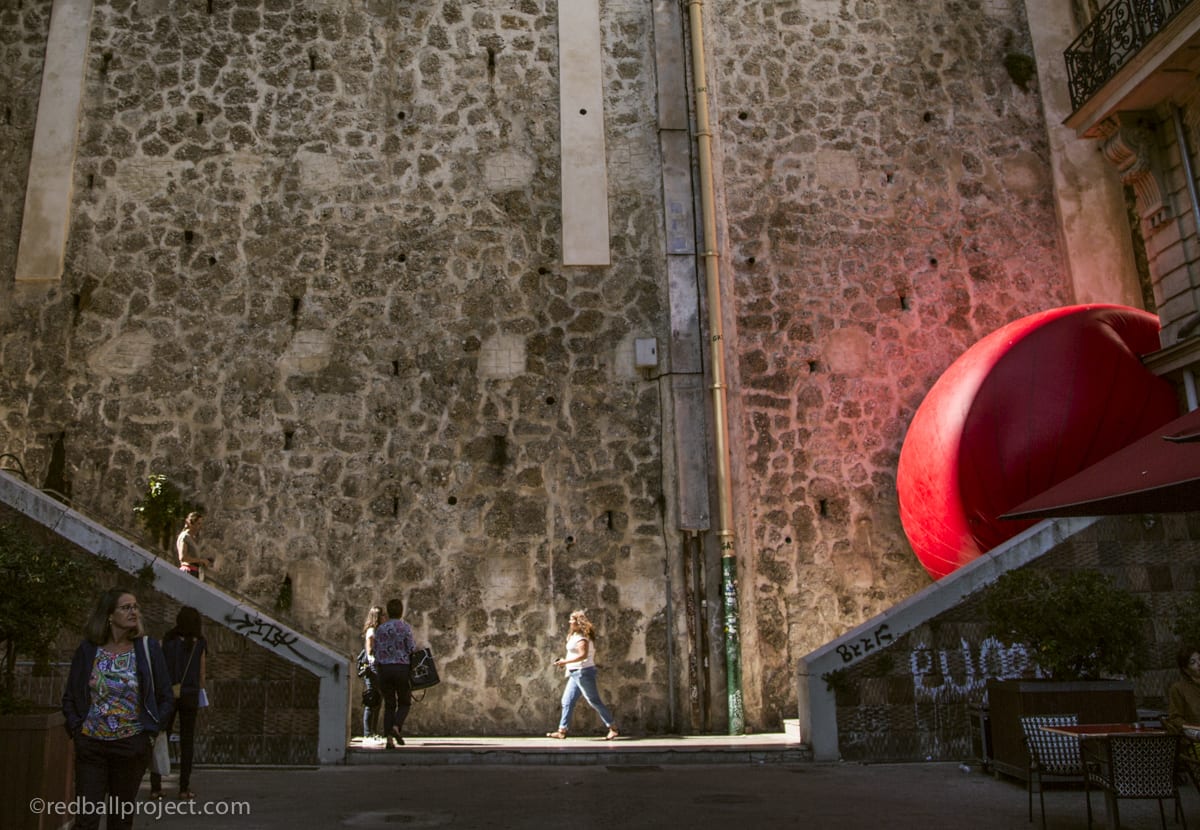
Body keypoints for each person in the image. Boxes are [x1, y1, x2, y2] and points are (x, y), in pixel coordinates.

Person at [62, 588, 173, 830]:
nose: (133, 611)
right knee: (86, 819)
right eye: (126, 607)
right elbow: (70, 696)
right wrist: (76, 730)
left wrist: (150, 733)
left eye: (135, 607)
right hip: (91, 745)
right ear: (109, 615)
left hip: (131, 746)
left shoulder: (147, 648)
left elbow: (165, 697)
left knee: (120, 820)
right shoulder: (88, 650)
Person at [149, 606, 207, 800]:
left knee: (161, 736)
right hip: (189, 695)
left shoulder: (168, 640)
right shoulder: (200, 643)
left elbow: (160, 667)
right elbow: (202, 675)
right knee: (187, 741)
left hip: (167, 695)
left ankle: (156, 787)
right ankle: (183, 788)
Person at [546, 609, 619, 740]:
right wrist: (565, 662)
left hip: (583, 672)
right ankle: (562, 731)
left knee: (593, 700)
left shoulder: (582, 639)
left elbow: (583, 655)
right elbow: (575, 653)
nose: (570, 622)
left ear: (579, 623)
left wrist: (565, 661)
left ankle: (613, 728)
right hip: (575, 673)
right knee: (567, 701)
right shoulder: (574, 636)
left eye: (572, 621)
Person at [374, 598, 416, 749]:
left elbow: (376, 650)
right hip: (401, 668)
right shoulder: (405, 628)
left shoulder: (380, 629)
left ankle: (389, 740)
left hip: (384, 669)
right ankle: (396, 726)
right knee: (405, 702)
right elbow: (411, 648)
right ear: (401, 611)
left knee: (389, 704)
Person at [360, 605, 385, 741]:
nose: (385, 617)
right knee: (372, 701)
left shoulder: (378, 631)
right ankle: (368, 732)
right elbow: (370, 651)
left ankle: (373, 731)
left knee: (377, 701)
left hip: (377, 669)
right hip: (372, 670)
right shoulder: (371, 632)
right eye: (382, 615)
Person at [1166, 645, 1200, 734]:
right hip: (1194, 739)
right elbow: (1175, 718)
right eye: (1193, 662)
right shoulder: (1178, 688)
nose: (1199, 663)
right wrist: (1194, 731)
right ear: (1186, 670)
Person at [177, 512, 213, 579]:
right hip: (188, 572)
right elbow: (183, 558)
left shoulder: (192, 538)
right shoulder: (185, 537)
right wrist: (201, 560)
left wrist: (204, 561)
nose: (200, 527)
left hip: (194, 573)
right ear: (191, 523)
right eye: (198, 524)